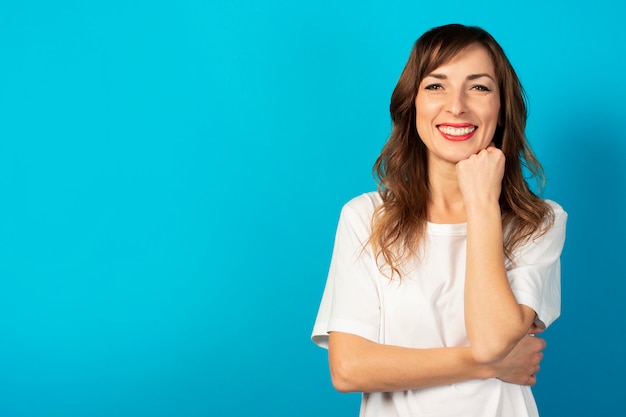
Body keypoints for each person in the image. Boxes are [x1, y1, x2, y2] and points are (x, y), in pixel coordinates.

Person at [311, 24, 567, 417]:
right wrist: (490, 365)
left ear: (501, 110)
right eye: (436, 86)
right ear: (411, 104)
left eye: (479, 87)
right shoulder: (365, 217)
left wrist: (482, 202)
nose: (457, 105)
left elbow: (490, 338)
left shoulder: (539, 222)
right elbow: (349, 369)